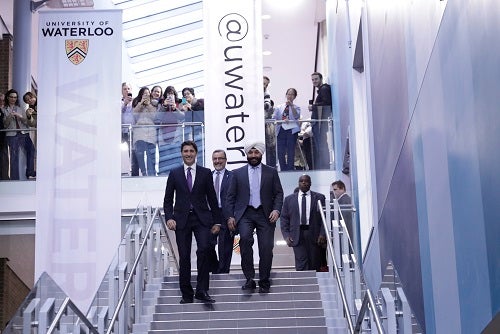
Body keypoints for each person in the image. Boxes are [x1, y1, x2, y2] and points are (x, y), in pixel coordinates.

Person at [163, 140, 222, 304]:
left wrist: (217, 221)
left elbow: (212, 198)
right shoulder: (174, 173)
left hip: (202, 219)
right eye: (185, 151)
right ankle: (187, 294)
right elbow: (168, 200)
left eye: (191, 151)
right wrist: (169, 217)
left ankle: (202, 291)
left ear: (196, 153)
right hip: (181, 220)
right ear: (181, 153)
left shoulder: (205, 172)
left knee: (203, 250)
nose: (188, 154)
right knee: (184, 257)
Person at [224, 142, 284, 293]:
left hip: (266, 214)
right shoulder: (237, 173)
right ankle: (249, 279)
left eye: (256, 153)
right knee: (244, 241)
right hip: (245, 214)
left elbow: (278, 193)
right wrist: (230, 216)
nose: (253, 156)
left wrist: (277, 210)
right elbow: (230, 197)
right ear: (246, 155)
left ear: (261, 154)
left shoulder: (271, 172)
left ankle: (264, 280)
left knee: (266, 248)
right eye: (250, 153)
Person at [280, 175, 326, 271]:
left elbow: (324, 218)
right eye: (301, 181)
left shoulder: (319, 198)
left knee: (314, 262)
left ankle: (314, 285)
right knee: (301, 262)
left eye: (306, 181)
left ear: (310, 183)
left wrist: (322, 234)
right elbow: (284, 219)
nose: (304, 183)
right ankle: (303, 285)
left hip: (314, 234)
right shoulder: (289, 199)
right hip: (296, 234)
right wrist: (286, 235)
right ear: (298, 183)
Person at [2, 89, 36, 180]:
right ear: (8, 98)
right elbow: (5, 125)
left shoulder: (21, 109)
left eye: (15, 97)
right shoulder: (3, 110)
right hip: (12, 135)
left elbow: (27, 123)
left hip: (23, 133)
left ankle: (30, 171)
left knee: (32, 150)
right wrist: (10, 116)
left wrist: (20, 116)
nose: (13, 99)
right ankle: (15, 178)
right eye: (12, 97)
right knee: (14, 157)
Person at [211, 149, 234, 273]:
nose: (217, 161)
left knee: (225, 246)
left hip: (226, 215)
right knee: (207, 244)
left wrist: (232, 216)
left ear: (225, 160)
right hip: (210, 215)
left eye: (220, 158)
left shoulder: (232, 176)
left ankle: (224, 271)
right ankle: (215, 268)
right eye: (215, 159)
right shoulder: (207, 176)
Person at [156, 86, 185, 175]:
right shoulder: (161, 103)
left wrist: (174, 108)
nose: (170, 95)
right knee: (164, 154)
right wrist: (164, 106)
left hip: (177, 133)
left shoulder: (181, 101)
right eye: (168, 94)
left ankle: (178, 174)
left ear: (175, 94)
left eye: (171, 93)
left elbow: (183, 116)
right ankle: (163, 173)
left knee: (176, 154)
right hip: (163, 132)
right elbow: (157, 117)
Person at [308, 72, 332, 169]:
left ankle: (324, 166)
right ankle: (324, 166)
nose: (314, 81)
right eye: (313, 79)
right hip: (319, 122)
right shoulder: (322, 90)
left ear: (321, 79)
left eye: (316, 79)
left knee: (321, 146)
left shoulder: (324, 89)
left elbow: (327, 103)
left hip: (320, 123)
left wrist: (313, 106)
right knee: (320, 145)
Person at [273, 88, 301, 171]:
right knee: (280, 151)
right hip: (281, 129)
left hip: (291, 130)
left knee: (290, 151)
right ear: (286, 95)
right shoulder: (279, 107)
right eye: (288, 94)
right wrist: (281, 121)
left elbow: (296, 116)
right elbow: (274, 118)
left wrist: (291, 106)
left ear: (295, 96)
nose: (290, 96)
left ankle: (290, 169)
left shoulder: (297, 107)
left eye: (292, 94)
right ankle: (283, 169)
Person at [132, 87, 157, 176]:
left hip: (151, 132)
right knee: (140, 154)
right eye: (144, 94)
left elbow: (155, 116)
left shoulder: (153, 104)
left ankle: (151, 173)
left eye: (148, 94)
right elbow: (134, 115)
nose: (146, 96)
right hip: (139, 131)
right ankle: (143, 172)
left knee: (151, 155)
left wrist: (149, 105)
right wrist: (141, 104)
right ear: (141, 95)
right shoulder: (137, 103)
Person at [121, 82, 139, 176]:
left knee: (133, 154)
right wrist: (124, 103)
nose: (127, 90)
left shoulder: (135, 102)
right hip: (119, 131)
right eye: (124, 89)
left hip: (132, 131)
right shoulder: (119, 102)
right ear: (121, 91)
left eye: (128, 89)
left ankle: (134, 175)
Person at [331, 180, 353, 247]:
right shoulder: (342, 200)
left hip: (346, 234)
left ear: (342, 189)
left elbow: (344, 220)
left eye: (335, 189)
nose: (333, 192)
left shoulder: (344, 201)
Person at [263, 76, 276, 168]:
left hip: (263, 122)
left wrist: (265, 105)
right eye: (263, 83)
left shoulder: (267, 93)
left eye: (266, 84)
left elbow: (267, 105)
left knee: (268, 146)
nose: (264, 85)